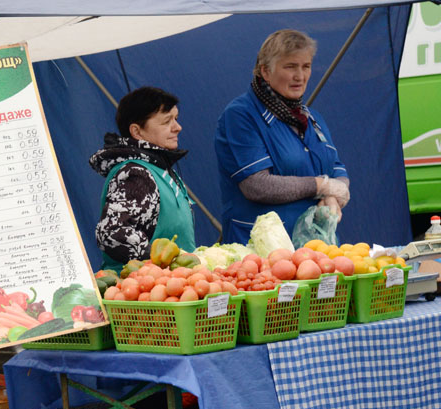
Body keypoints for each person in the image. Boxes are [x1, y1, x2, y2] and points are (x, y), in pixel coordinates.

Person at [214, 29, 349, 244]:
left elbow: (337, 170)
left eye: (306, 66)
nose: (300, 76)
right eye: (290, 67)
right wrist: (320, 186)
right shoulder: (240, 115)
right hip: (263, 253)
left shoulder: (312, 117)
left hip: (317, 248)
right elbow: (257, 186)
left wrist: (333, 195)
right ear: (265, 71)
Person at [89, 87, 195, 271]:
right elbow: (112, 233)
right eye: (166, 121)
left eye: (176, 119)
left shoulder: (159, 168)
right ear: (137, 132)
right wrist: (163, 259)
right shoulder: (137, 174)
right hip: (140, 291)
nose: (178, 127)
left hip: (170, 287)